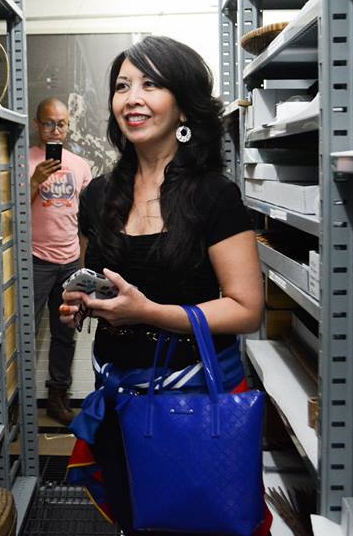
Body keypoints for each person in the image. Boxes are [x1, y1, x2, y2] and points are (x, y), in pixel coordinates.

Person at [59, 36, 271, 536]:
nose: (132, 98)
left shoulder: (214, 196)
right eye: (122, 86)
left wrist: (148, 313)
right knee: (135, 520)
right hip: (119, 402)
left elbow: (246, 309)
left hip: (192, 403)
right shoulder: (97, 196)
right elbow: (102, 282)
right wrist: (84, 304)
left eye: (150, 84)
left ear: (183, 106)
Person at [29, 97, 93, 425]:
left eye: (61, 124)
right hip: (34, 260)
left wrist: (83, 262)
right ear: (37, 125)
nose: (55, 130)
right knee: (25, 332)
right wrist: (35, 181)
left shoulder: (80, 165)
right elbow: (9, 208)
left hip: (69, 261)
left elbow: (86, 220)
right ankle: (18, 400)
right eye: (48, 123)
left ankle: (58, 395)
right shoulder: (24, 160)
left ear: (68, 126)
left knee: (65, 333)